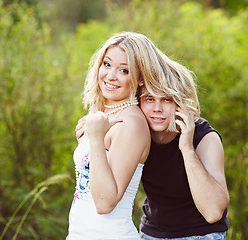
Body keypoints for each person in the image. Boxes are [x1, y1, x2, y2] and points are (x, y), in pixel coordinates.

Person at [76, 35, 230, 240]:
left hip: (199, 234)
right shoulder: (137, 127)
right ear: (139, 97)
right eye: (149, 99)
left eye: (167, 100)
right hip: (152, 233)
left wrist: (187, 148)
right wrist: (95, 137)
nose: (157, 109)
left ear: (179, 104)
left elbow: (213, 212)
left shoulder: (204, 137)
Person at [66, 32, 164, 239]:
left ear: (139, 78)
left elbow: (105, 202)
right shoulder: (104, 115)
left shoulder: (130, 123)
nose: (110, 76)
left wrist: (94, 139)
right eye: (107, 64)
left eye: (124, 70)